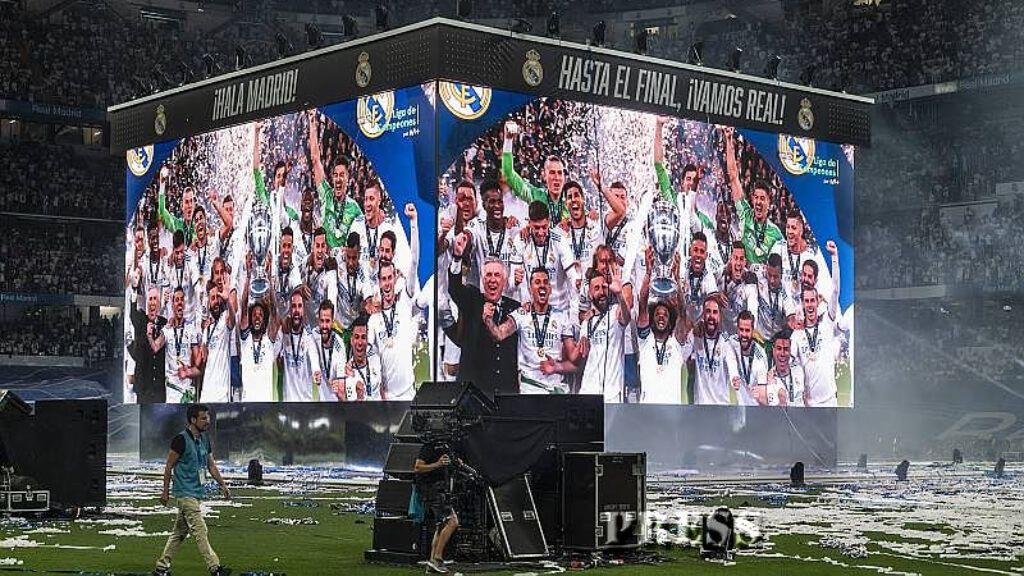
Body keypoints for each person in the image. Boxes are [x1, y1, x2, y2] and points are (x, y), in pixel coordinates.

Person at [153, 404, 231, 576]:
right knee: (200, 529)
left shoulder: (205, 439)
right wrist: (165, 491)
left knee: (179, 532)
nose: (207, 421)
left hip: (196, 492)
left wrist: (223, 484)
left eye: (208, 417)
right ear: (192, 420)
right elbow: (168, 467)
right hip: (184, 493)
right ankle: (214, 567)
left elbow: (211, 465)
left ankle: (161, 567)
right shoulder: (180, 440)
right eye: (203, 418)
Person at [448, 233, 520, 397]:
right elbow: (454, 288)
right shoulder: (471, 300)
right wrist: (457, 257)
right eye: (488, 275)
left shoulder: (515, 308)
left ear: (504, 280)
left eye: (497, 275)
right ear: (481, 279)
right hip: (474, 394)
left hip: (506, 394)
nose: (492, 280)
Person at [483, 268, 576, 394]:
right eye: (537, 282)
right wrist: (488, 319)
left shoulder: (562, 317)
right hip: (529, 388)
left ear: (550, 288)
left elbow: (574, 363)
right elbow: (499, 335)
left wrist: (557, 367)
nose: (542, 285)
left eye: (545, 282)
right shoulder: (521, 314)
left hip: (555, 389)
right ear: (530, 289)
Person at [636, 247, 689, 404]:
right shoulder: (645, 340)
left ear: (670, 321)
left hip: (671, 415)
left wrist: (677, 278)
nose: (661, 316)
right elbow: (642, 304)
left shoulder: (677, 344)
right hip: (647, 413)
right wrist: (648, 272)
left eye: (665, 315)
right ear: (651, 319)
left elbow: (683, 311)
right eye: (657, 314)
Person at [724, 127, 782, 264]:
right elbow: (733, 176)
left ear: (769, 203)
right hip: (741, 275)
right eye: (756, 197)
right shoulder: (745, 213)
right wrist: (728, 139)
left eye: (763, 199)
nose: (758, 202)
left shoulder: (776, 234)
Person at [414, 439, 459, 574]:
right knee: (452, 522)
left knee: (440, 526)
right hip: (432, 491)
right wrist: (438, 464)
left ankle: (432, 562)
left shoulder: (445, 446)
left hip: (438, 490)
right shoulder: (429, 446)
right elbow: (418, 467)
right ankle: (437, 560)